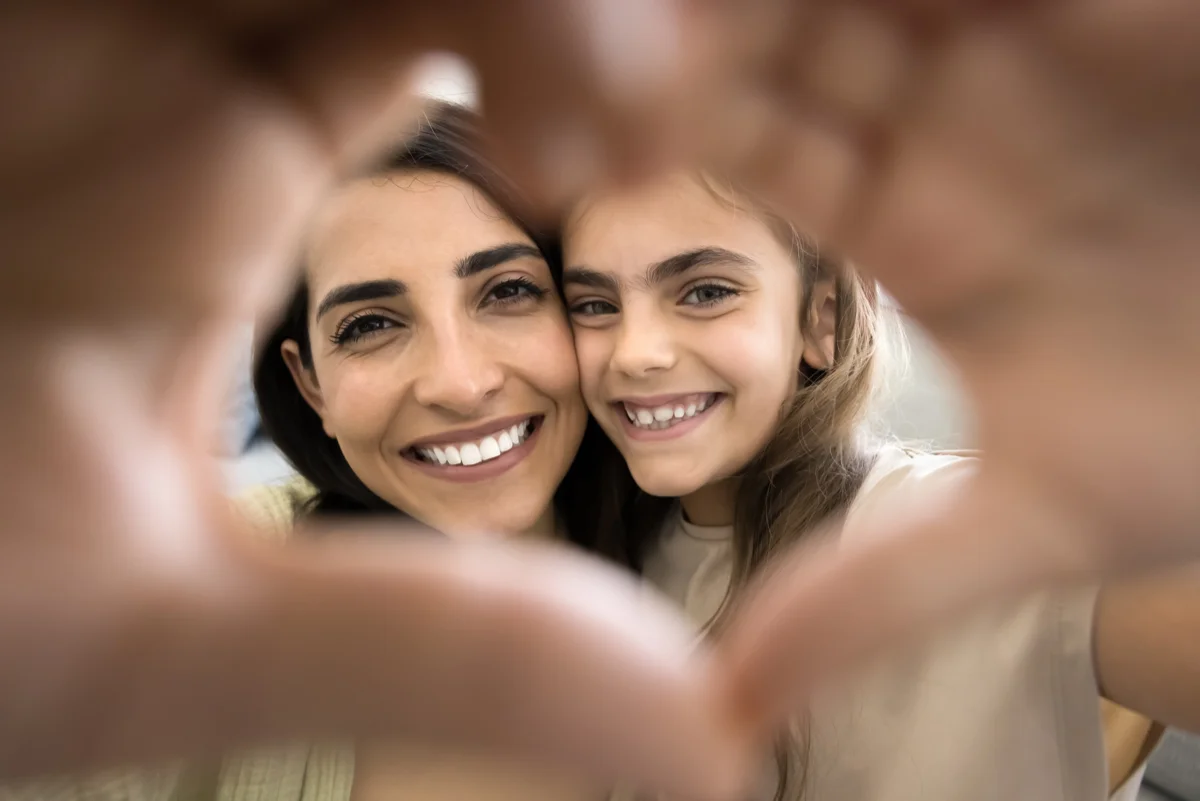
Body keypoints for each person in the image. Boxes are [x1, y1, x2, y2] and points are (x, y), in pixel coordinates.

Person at [5, 1, 1200, 792]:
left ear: (823, 321)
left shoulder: (912, 530)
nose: (465, 377)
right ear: (306, 384)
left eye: (510, 293)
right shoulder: (225, 586)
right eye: (589, 299)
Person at [560, 170, 1200, 800]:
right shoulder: (587, 568)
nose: (633, 352)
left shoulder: (959, 530)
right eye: (594, 305)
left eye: (705, 292)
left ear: (823, 318)